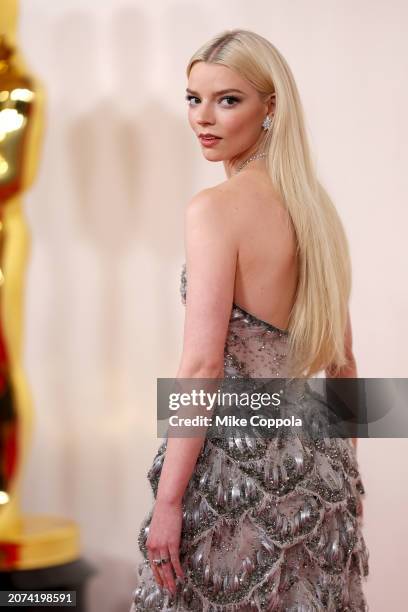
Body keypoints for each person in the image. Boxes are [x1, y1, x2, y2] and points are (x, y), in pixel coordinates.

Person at [130, 28, 369, 611]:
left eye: (227, 99)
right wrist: (348, 480)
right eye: (194, 98)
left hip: (233, 473)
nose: (203, 118)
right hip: (321, 472)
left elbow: (202, 364)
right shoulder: (315, 209)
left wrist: (168, 504)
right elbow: (343, 364)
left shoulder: (213, 211)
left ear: (270, 107)